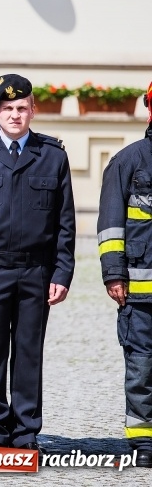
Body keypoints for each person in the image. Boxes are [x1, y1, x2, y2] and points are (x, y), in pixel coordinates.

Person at [0, 74, 75, 464]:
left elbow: (65, 223)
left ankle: (25, 434)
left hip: (35, 273)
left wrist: (61, 273)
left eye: (22, 108)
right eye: (7, 108)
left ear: (33, 110)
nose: (15, 114)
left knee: (28, 355)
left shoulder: (53, 156)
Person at [97, 81, 152, 469]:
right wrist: (114, 275)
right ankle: (143, 439)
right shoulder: (128, 161)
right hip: (140, 289)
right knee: (142, 365)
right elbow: (110, 226)